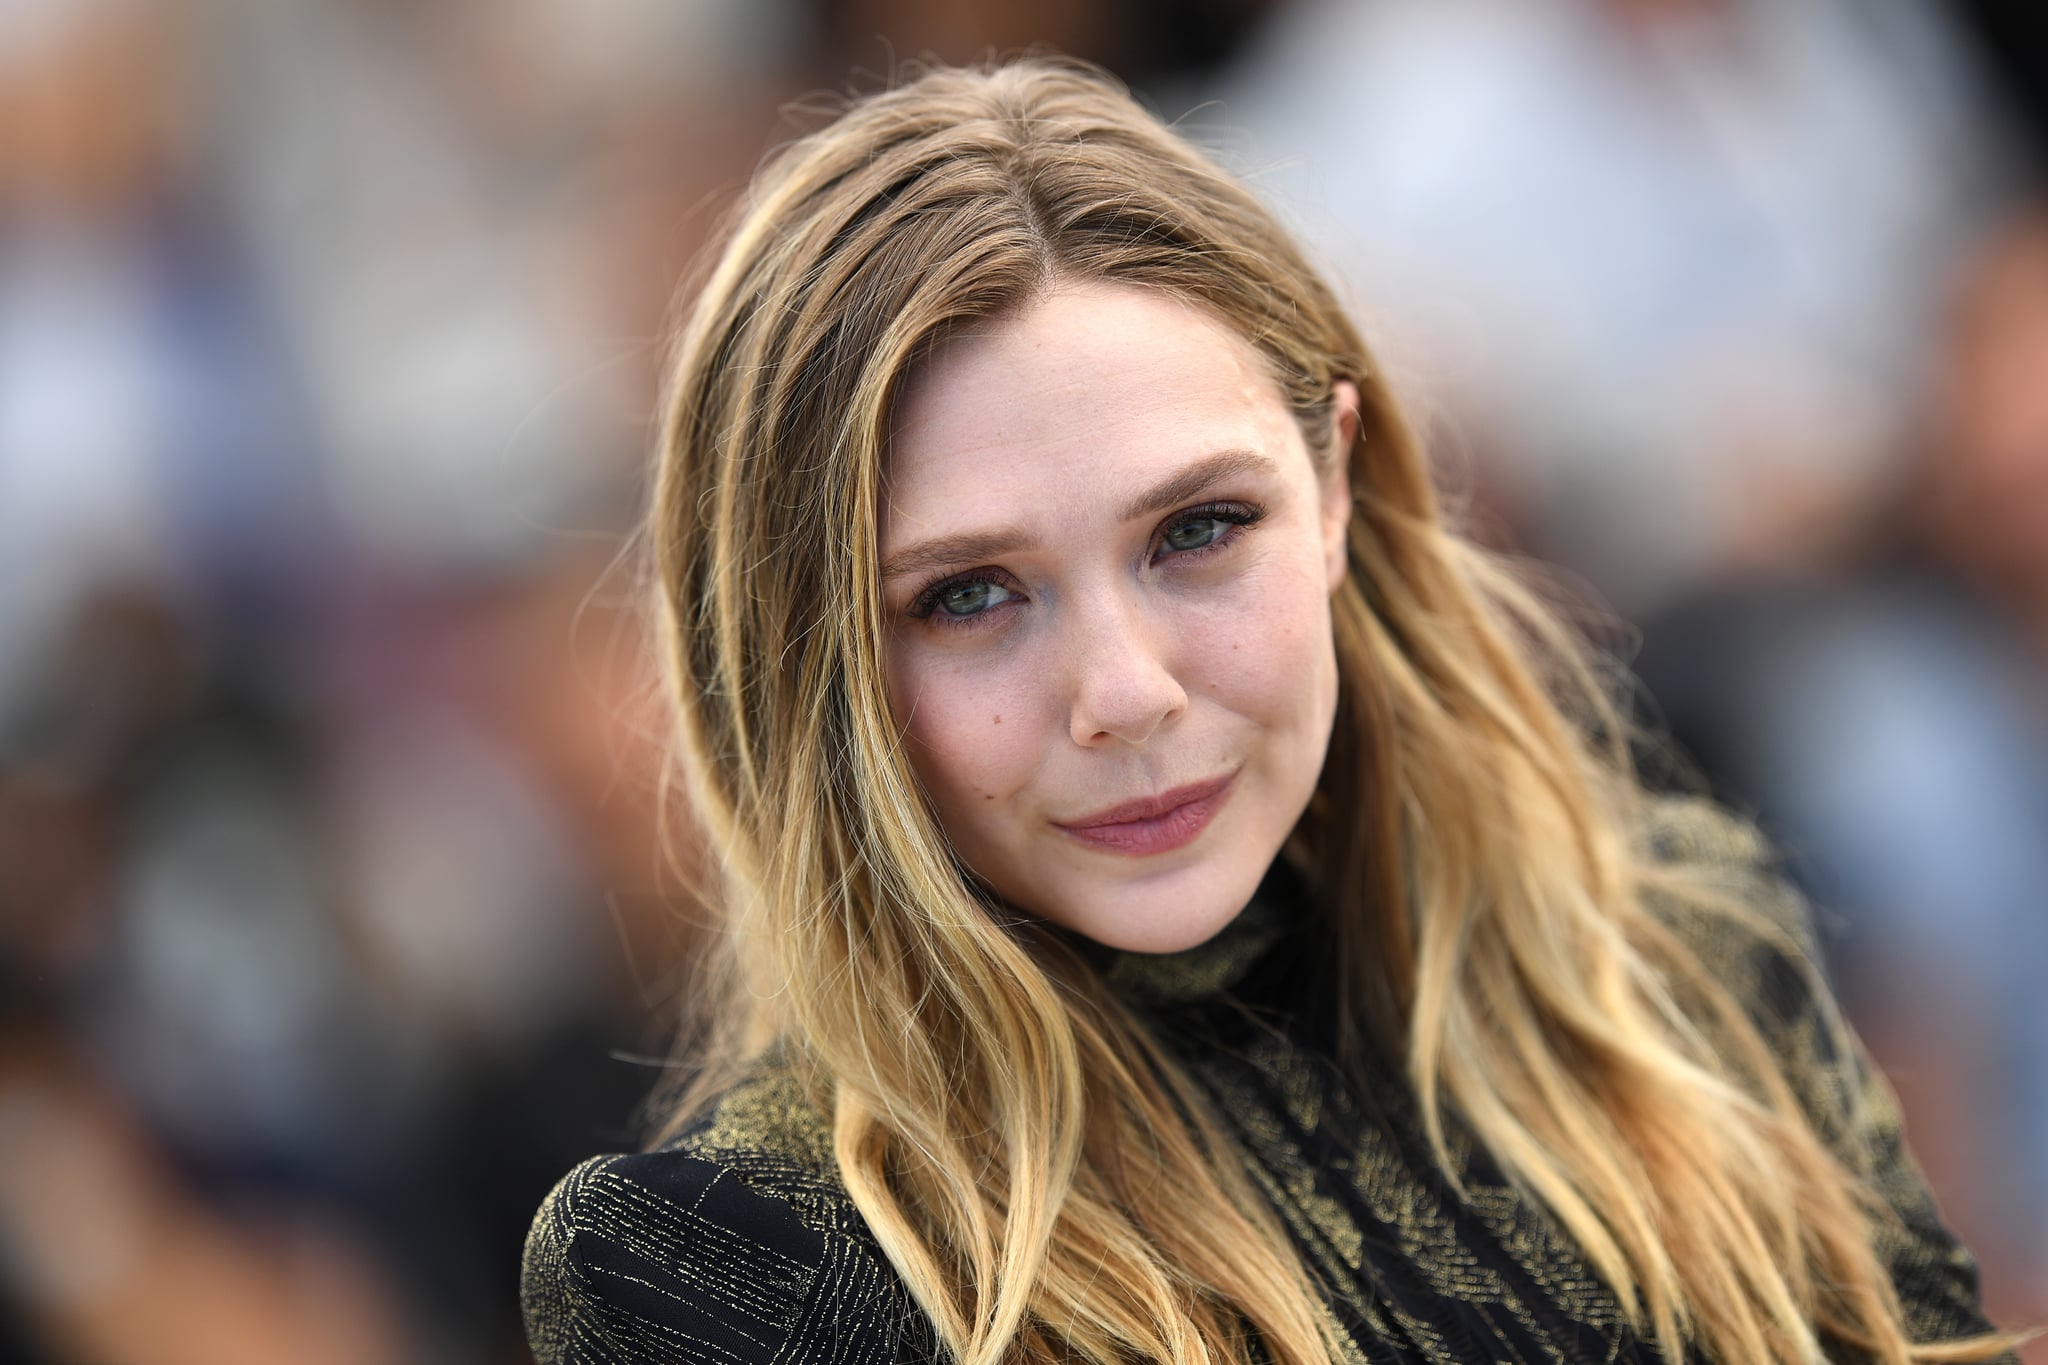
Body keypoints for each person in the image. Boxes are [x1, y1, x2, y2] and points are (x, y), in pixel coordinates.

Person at [519, 58, 2014, 1365]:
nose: (1124, 691)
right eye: (968, 594)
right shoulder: (735, 1268)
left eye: (1196, 530)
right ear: (802, 659)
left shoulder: (1687, 946)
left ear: (1337, 491)